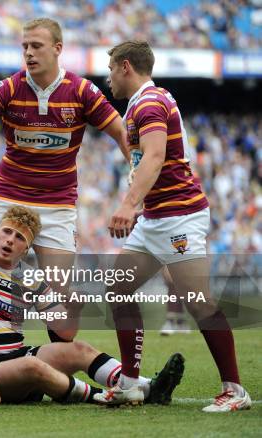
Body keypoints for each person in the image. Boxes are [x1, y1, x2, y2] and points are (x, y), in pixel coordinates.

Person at [0, 18, 129, 342]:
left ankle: (57, 367)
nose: (29, 53)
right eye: (25, 47)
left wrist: (137, 177)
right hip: (10, 200)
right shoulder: (8, 88)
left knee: (58, 299)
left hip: (58, 205)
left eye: (36, 46)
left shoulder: (83, 91)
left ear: (58, 49)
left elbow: (121, 132)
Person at [97, 40, 251, 412]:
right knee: (119, 289)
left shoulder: (149, 103)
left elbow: (154, 156)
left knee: (199, 303)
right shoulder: (146, 101)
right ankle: (131, 383)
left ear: (126, 67)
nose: (107, 78)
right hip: (156, 218)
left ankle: (235, 391)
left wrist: (128, 204)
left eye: (110, 69)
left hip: (178, 215)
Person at [0, 206, 184, 404]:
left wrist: (75, 309)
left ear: (26, 249)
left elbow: (64, 332)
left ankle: (144, 386)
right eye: (7, 232)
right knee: (32, 366)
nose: (10, 240)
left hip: (15, 355)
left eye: (19, 237)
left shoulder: (31, 279)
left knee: (79, 349)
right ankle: (99, 395)